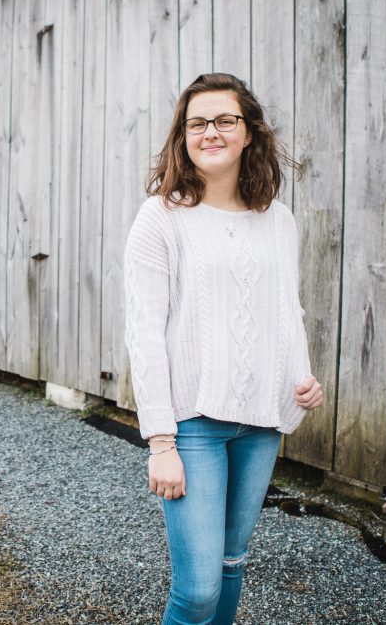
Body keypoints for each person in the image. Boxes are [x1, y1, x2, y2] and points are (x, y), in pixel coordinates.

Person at [123, 72, 324, 624]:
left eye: (224, 120)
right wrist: (160, 440)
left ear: (249, 133)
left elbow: (288, 311)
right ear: (183, 137)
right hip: (193, 426)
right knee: (198, 591)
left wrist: (303, 377)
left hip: (260, 424)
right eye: (196, 123)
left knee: (233, 566)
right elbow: (144, 330)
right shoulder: (161, 217)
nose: (209, 131)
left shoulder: (277, 220)